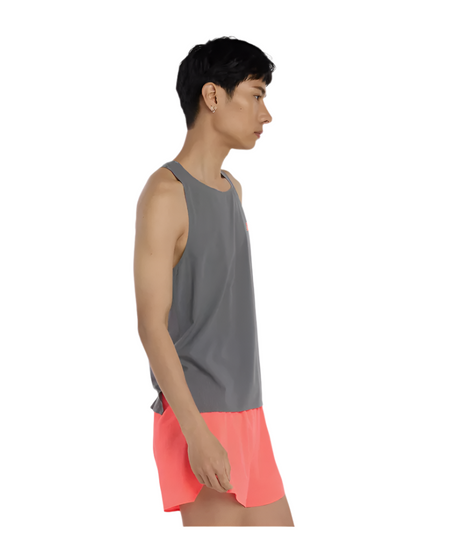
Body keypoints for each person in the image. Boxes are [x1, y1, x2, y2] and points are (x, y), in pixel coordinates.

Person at [133, 36, 294, 527]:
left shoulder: (232, 190)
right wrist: (196, 433)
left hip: (248, 411)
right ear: (212, 96)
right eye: (256, 95)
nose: (266, 114)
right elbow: (152, 326)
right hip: (200, 415)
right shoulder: (166, 194)